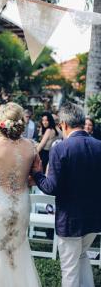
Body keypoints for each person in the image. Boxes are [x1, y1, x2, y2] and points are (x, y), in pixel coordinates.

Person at [33, 102, 101, 287]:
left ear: (63, 124)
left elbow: (51, 187)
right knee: (82, 256)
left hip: (70, 220)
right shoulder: (99, 146)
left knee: (70, 269)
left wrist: (37, 173)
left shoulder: (61, 148)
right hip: (94, 218)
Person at [0, 102, 41, 287]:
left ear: (1, 123)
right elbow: (37, 177)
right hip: (21, 202)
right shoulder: (32, 146)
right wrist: (21, 181)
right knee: (18, 246)